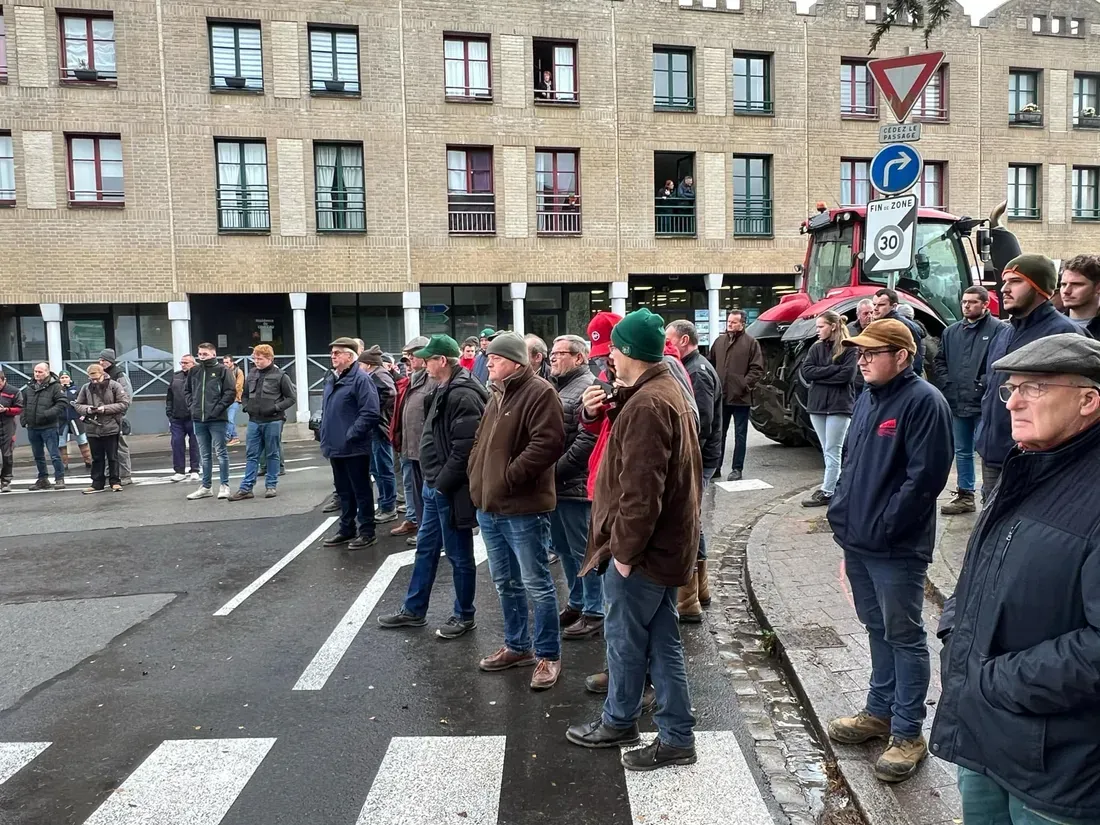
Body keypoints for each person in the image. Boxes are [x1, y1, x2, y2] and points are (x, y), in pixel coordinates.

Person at [931, 334, 1100, 823]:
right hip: (985, 737)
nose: (1013, 402)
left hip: (1056, 769)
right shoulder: (1027, 467)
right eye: (1011, 388)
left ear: (1089, 400)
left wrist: (996, 681)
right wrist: (954, 635)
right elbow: (978, 571)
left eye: (1035, 388)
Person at [566, 308, 702, 771]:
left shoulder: (648, 404)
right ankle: (675, 735)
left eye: (614, 352)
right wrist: (605, 406)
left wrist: (623, 554)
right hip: (663, 548)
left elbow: (642, 492)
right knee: (662, 641)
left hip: (642, 553)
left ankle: (621, 720)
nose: (609, 360)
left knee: (627, 640)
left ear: (628, 352)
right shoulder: (661, 391)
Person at [824, 319, 953, 783]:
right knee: (876, 626)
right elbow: (851, 463)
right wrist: (842, 514)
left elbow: (925, 480)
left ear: (902, 356)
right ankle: (879, 711)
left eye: (871, 353)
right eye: (859, 352)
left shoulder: (924, 402)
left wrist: (885, 526)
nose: (861, 360)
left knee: (904, 634)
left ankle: (908, 732)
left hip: (895, 547)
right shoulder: (867, 397)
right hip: (859, 539)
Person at [467, 332, 566, 690]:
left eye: (495, 358)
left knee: (537, 583)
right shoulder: (497, 392)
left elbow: (548, 443)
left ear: (514, 362)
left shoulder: (540, 393)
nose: (488, 362)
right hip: (490, 506)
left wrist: (509, 477)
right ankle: (517, 646)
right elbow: (480, 441)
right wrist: (476, 475)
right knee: (505, 582)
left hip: (522, 508)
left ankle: (548, 655)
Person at [378, 334, 487, 637]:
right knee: (426, 549)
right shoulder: (442, 387)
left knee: (459, 555)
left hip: (448, 489)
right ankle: (414, 610)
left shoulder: (463, 393)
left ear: (442, 360)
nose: (423, 364)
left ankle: (464, 615)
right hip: (434, 485)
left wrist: (441, 484)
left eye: (427, 359)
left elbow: (465, 448)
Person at [975, 254, 1080, 500]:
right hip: (992, 453)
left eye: (1015, 281)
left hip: (1032, 458)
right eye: (1005, 281)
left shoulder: (1063, 333)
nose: (1004, 289)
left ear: (1039, 288)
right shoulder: (1004, 332)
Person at [665, 320, 722, 620]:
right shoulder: (693, 366)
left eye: (669, 338)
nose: (666, 344)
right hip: (700, 455)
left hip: (699, 457)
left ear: (684, 340)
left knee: (690, 520)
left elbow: (702, 421)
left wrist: (686, 455)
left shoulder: (697, 371)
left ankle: (690, 598)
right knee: (693, 520)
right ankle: (699, 591)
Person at [932, 286, 1006, 515]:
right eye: (964, 301)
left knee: (987, 449)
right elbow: (939, 361)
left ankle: (990, 495)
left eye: (972, 302)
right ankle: (965, 495)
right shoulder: (951, 332)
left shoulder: (999, 330)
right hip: (957, 400)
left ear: (985, 304)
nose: (966, 306)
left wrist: (982, 384)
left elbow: (1000, 363)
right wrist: (947, 384)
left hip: (985, 402)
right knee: (962, 450)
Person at [548, 334, 601, 639]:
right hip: (558, 486)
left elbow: (587, 439)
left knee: (583, 553)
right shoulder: (559, 386)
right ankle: (577, 601)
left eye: (560, 353)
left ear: (579, 357)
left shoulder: (587, 387)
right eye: (552, 353)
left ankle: (595, 610)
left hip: (575, 486)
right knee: (565, 550)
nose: (553, 358)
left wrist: (555, 471)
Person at [319, 337, 381, 550]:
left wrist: (351, 434)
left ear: (350, 356)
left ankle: (367, 532)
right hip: (335, 446)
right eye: (332, 352)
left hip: (354, 447)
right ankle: (346, 529)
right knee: (343, 491)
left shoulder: (361, 379)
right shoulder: (333, 378)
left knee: (361, 491)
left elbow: (370, 412)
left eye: (337, 352)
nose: (333, 356)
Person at [799, 311, 859, 507]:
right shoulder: (816, 347)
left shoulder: (849, 348)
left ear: (833, 326)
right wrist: (834, 369)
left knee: (833, 449)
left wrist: (821, 375)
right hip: (817, 406)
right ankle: (835, 487)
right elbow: (807, 372)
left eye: (821, 326)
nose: (817, 330)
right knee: (827, 449)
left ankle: (828, 490)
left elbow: (847, 376)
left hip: (839, 405)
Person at [228, 345, 296, 501]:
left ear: (270, 358)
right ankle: (246, 488)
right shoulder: (252, 374)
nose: (256, 361)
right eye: (255, 358)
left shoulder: (281, 376)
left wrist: (275, 408)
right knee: (252, 454)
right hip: (254, 420)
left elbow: (291, 398)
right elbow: (245, 394)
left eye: (260, 358)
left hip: (273, 420)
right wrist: (246, 406)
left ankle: (271, 485)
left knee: (272, 453)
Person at [388, 336, 435, 543]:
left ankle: (428, 531)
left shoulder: (431, 381)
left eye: (412, 355)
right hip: (410, 447)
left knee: (427, 495)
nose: (408, 360)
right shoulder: (412, 380)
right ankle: (418, 524)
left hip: (424, 449)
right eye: (407, 356)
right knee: (414, 491)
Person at [710, 310, 764, 481]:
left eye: (734, 322)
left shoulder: (751, 343)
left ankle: (737, 468)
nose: (730, 324)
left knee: (740, 435)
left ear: (742, 324)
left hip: (741, 397)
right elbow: (711, 364)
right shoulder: (719, 342)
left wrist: (743, 385)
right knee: (719, 434)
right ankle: (716, 467)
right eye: (729, 321)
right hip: (722, 396)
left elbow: (757, 369)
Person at [184, 343, 237, 501]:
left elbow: (230, 392)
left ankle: (224, 485)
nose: (202, 356)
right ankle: (206, 486)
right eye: (200, 354)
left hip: (217, 419)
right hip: (198, 418)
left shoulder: (223, 370)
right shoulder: (194, 371)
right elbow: (187, 391)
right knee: (204, 454)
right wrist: (192, 407)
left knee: (221, 452)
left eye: (205, 354)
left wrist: (217, 410)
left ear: (213, 354)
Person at [73, 363, 130, 493]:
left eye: (96, 378)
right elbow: (78, 405)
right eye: (91, 379)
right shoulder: (86, 388)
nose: (94, 381)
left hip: (111, 426)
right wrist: (88, 409)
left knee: (113, 456)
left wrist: (105, 409)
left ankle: (115, 482)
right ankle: (97, 483)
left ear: (103, 374)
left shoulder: (115, 386)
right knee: (96, 458)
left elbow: (124, 403)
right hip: (92, 427)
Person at [359, 345, 399, 523]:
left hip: (380, 428)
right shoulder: (376, 375)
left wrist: (374, 409)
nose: (359, 367)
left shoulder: (379, 375)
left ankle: (388, 506)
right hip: (377, 427)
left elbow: (391, 393)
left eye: (361, 364)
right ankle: (385, 504)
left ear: (368, 364)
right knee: (378, 469)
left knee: (383, 469)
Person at [21, 362, 68, 490]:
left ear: (47, 372)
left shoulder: (55, 386)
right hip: (32, 426)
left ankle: (59, 478)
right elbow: (24, 404)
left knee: (54, 454)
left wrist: (47, 414)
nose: (37, 374)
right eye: (35, 371)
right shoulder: (30, 386)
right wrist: (24, 419)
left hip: (49, 426)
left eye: (40, 372)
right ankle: (43, 479)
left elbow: (62, 403)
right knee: (38, 455)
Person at [98, 350, 134, 484]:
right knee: (107, 446)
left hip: (116, 415)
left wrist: (120, 413)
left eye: (103, 360)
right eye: (100, 359)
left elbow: (127, 396)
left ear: (110, 361)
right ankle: (110, 474)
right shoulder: (101, 375)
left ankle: (125, 475)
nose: (100, 362)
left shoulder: (119, 375)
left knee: (120, 446)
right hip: (103, 416)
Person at [871, 290, 925, 376]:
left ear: (894, 306)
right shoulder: (878, 323)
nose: (875, 308)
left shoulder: (901, 326)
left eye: (881, 305)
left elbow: (914, 357)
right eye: (874, 304)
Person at [167, 355, 200, 483]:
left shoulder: (198, 375)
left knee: (194, 444)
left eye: (186, 363)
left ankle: (195, 469)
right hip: (177, 417)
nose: (183, 365)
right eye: (182, 363)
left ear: (193, 363)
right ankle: (179, 471)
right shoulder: (176, 376)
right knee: (176, 443)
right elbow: (170, 396)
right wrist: (169, 412)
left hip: (193, 416)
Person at [1059, 253, 1100, 337]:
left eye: (1076, 284)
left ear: (1098, 288)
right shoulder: (1048, 323)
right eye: (1063, 284)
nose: (1066, 291)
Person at [57, 371, 91, 471]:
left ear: (70, 378)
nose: (64, 379)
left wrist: (83, 414)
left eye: (66, 377)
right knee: (61, 442)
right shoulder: (56, 390)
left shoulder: (76, 389)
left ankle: (88, 461)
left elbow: (83, 402)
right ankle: (64, 464)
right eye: (62, 377)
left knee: (82, 439)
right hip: (61, 420)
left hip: (75, 418)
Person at [0, 372, 24, 493]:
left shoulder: (14, 391)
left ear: (4, 380)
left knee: (7, 455)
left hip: (7, 425)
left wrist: (6, 410)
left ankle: (6, 481)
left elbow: (20, 409)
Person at [222, 354, 244, 446]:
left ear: (232, 362)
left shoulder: (238, 371)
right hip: (225, 399)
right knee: (228, 419)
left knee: (230, 419)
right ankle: (235, 437)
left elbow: (239, 386)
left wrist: (230, 393)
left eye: (227, 362)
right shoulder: (223, 371)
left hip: (234, 399)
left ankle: (226, 438)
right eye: (224, 362)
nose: (225, 364)